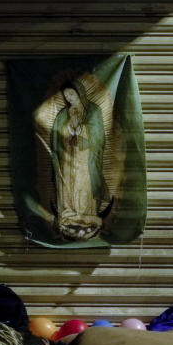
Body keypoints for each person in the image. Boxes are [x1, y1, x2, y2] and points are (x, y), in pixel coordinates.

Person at [50, 80, 109, 240]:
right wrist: (69, 128)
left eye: (72, 93)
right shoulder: (63, 114)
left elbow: (98, 135)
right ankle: (69, 216)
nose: (69, 97)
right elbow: (56, 137)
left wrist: (81, 130)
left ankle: (85, 217)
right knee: (69, 183)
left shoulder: (93, 110)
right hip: (67, 157)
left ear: (80, 92)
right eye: (66, 95)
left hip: (85, 157)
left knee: (83, 183)